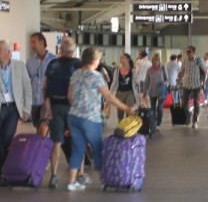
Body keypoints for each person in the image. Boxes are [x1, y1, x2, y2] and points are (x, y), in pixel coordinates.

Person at [66, 47, 134, 192]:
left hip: (73, 116)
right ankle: (104, 180)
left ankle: (72, 182)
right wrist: (126, 108)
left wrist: (78, 107)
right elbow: (108, 96)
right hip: (90, 118)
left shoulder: (76, 74)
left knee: (77, 149)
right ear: (94, 60)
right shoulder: (96, 76)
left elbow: (69, 96)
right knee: (98, 148)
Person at [0, 39, 33, 187]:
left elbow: (27, 88)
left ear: (8, 52)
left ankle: (7, 173)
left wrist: (27, 109)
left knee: (7, 140)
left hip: (12, 109)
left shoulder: (19, 67)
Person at [42, 36, 82, 189]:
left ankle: (53, 175)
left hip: (55, 106)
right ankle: (78, 174)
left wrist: (47, 107)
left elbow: (45, 87)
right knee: (77, 140)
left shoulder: (53, 64)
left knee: (56, 141)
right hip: (72, 107)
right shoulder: (78, 64)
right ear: (73, 50)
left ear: (61, 49)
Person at [27, 32, 57, 128]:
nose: (32, 46)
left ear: (42, 42)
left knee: (43, 127)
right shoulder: (30, 62)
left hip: (47, 101)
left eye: (34, 42)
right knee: (37, 126)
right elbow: (27, 81)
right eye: (31, 43)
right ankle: (42, 143)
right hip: (34, 101)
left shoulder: (54, 60)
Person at [177, 46, 207, 128]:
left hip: (196, 84)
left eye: (189, 52)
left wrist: (204, 83)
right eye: (186, 52)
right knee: (184, 103)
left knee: (196, 103)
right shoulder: (185, 60)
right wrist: (177, 83)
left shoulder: (199, 60)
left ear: (194, 52)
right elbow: (182, 72)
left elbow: (204, 71)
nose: (187, 53)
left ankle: (194, 121)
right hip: (186, 84)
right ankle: (188, 114)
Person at [109, 52, 139, 122]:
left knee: (129, 110)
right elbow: (114, 83)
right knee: (120, 112)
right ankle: (121, 127)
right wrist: (109, 93)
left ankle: (128, 128)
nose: (120, 59)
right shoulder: (117, 70)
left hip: (130, 93)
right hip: (120, 93)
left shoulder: (132, 70)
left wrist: (137, 82)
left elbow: (137, 80)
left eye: (122, 57)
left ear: (128, 59)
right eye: (120, 58)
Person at [142, 52, 169, 130]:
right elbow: (146, 81)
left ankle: (158, 124)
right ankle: (153, 122)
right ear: (152, 61)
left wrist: (165, 83)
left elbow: (167, 80)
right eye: (154, 60)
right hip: (152, 91)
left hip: (161, 92)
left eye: (157, 60)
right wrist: (144, 91)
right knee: (152, 109)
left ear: (159, 61)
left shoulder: (163, 68)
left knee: (160, 108)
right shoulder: (149, 70)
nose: (156, 61)